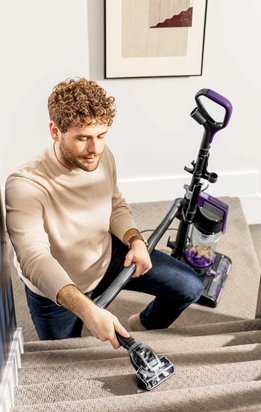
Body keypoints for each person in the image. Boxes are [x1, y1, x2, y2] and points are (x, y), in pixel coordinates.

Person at [5, 77, 203, 349]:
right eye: (83, 138)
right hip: (56, 286)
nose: (94, 149)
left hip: (107, 259)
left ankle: (143, 323)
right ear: (55, 131)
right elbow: (33, 259)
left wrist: (134, 240)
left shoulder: (100, 155)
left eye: (101, 135)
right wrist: (88, 310)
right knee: (64, 358)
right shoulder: (25, 183)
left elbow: (115, 204)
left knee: (190, 287)